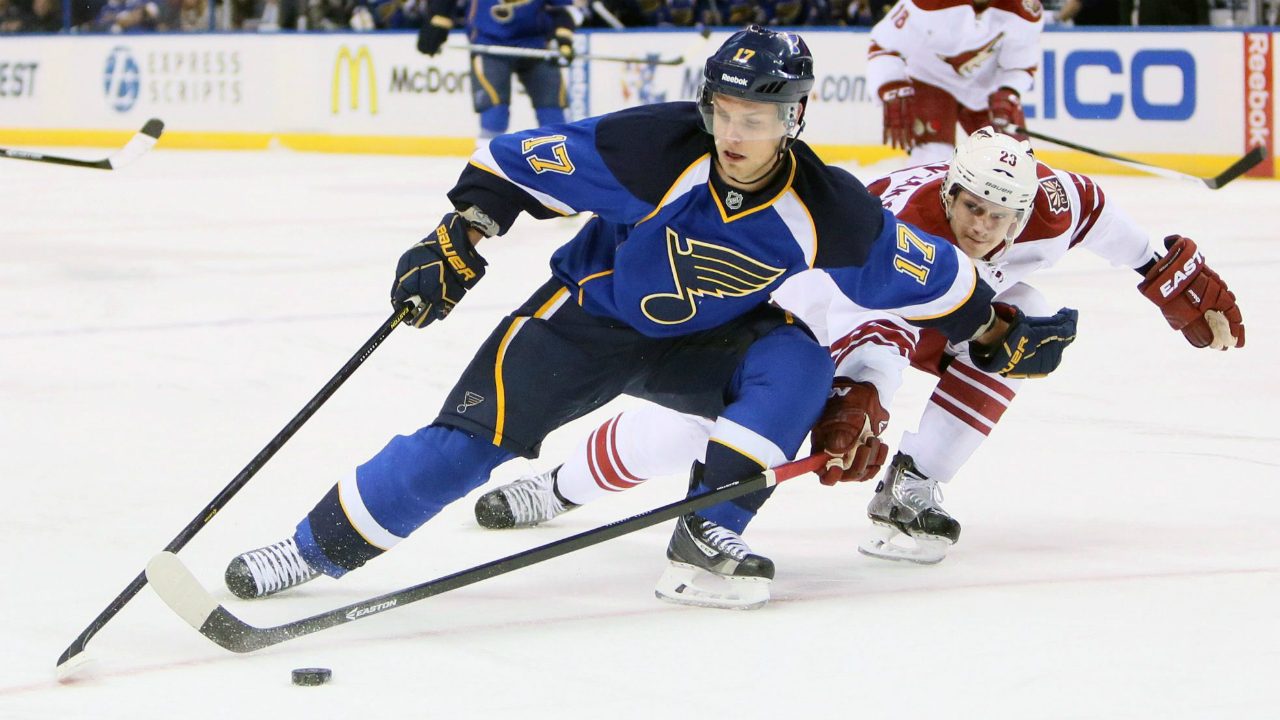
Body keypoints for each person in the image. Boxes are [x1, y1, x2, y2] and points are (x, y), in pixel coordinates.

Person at [223, 28, 1075, 611]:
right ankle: (313, 549)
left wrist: (994, 329)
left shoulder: (830, 209)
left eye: (758, 119)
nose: (734, 136)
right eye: (723, 114)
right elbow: (507, 163)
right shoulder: (651, 149)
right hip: (581, 324)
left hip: (706, 347)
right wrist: (463, 230)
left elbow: (932, 281)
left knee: (801, 365)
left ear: (796, 117)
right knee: (458, 449)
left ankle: (707, 535)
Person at [473, 126, 1245, 566]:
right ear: (948, 194)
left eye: (997, 216)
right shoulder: (897, 225)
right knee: (704, 426)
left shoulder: (1053, 203)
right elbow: (875, 325)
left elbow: (1110, 220)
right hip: (815, 299)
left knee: (1023, 327)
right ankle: (564, 485)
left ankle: (913, 485)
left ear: (1025, 209)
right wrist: (858, 398)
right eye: (969, 208)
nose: (981, 227)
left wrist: (1169, 275)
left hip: (943, 307)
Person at [868, 0, 1043, 164]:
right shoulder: (925, 3)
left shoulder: (1024, 9)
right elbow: (883, 45)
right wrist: (890, 83)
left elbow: (1020, 66)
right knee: (931, 159)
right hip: (931, 80)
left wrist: (1009, 91)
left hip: (987, 90)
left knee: (1014, 160)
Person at [416, 0, 578, 148]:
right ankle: (487, 173)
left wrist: (564, 36)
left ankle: (561, 170)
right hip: (489, 44)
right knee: (494, 115)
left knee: (553, 116)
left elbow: (564, 8)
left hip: (537, 46)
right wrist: (439, 18)